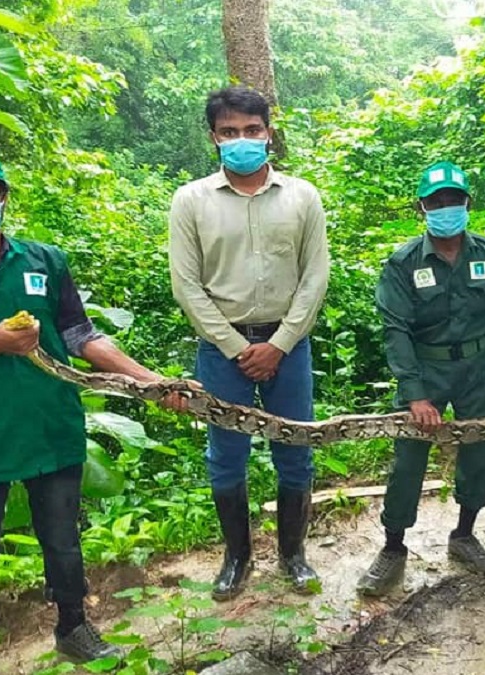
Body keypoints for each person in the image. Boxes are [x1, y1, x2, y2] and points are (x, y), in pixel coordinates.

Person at [0, 142, 184, 675]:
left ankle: (74, 628)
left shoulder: (44, 260)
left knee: (64, 543)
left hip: (49, 429)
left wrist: (153, 381)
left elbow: (81, 335)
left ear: (3, 200)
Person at [356, 161, 485, 596]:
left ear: (468, 203)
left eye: (453, 199)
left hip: (480, 369)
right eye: (436, 201)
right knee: (409, 460)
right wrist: (414, 395)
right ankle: (393, 547)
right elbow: (396, 332)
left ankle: (465, 535)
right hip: (425, 371)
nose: (445, 207)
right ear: (422, 207)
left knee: (479, 453)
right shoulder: (403, 264)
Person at [168, 86, 330, 600]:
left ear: (268, 132)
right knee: (226, 455)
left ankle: (293, 555)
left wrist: (280, 343)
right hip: (222, 351)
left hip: (289, 346)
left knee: (296, 450)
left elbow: (315, 276)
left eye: (252, 130)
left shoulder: (302, 196)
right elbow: (187, 286)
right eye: (230, 132)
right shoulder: (191, 200)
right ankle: (237, 559)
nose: (242, 140)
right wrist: (238, 348)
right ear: (214, 138)